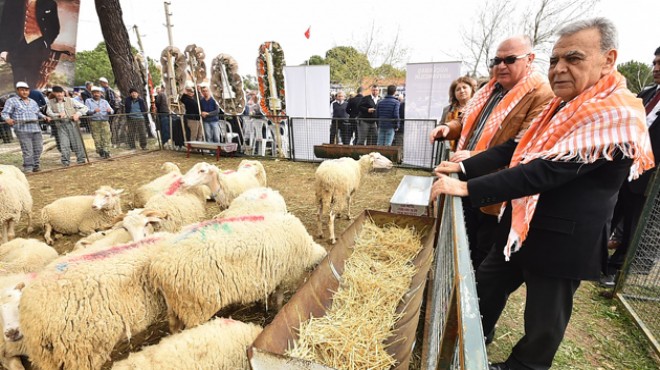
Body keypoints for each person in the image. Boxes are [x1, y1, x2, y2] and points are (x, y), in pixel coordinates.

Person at [431, 18, 654, 370]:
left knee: (543, 323)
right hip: (521, 225)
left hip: (563, 240)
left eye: (574, 59)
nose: (559, 69)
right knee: (485, 286)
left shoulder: (617, 114)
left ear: (608, 60)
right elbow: (514, 148)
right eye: (554, 60)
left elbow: (546, 170)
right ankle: (470, 343)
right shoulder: (561, 107)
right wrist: (462, 167)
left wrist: (468, 189)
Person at [429, 35, 553, 269]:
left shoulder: (541, 94)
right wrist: (448, 128)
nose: (501, 66)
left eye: (510, 59)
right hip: (467, 175)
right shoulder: (491, 89)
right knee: (461, 238)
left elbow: (520, 145)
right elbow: (468, 124)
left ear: (530, 59)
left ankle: (470, 296)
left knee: (481, 251)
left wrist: (472, 159)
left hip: (495, 191)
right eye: (496, 60)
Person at [601, 45, 660, 286]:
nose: (656, 68)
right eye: (655, 63)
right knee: (609, 215)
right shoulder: (647, 93)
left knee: (633, 225)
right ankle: (598, 260)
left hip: (648, 176)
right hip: (621, 167)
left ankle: (615, 270)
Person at [0, 0, 60, 87]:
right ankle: (19, 99)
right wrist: (3, 49)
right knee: (18, 78)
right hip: (16, 46)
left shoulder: (49, 3)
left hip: (37, 45)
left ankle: (31, 98)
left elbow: (54, 28)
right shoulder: (11, 2)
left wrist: (45, 42)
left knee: (32, 79)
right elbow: (4, 26)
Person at [1, 81, 51, 172]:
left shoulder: (33, 102)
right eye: (22, 90)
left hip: (35, 128)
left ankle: (36, 166)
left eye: (26, 90)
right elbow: (5, 113)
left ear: (29, 91)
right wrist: (8, 119)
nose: (25, 92)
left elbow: (37, 112)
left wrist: (44, 117)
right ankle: (28, 168)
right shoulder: (11, 101)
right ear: (18, 90)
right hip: (22, 129)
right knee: (27, 149)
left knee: (38, 148)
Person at [46, 85, 88, 166]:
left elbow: (85, 108)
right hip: (60, 126)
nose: (60, 95)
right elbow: (49, 113)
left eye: (61, 92)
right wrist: (58, 115)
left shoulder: (71, 100)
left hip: (72, 124)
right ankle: (65, 162)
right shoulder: (50, 102)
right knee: (64, 144)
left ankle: (81, 160)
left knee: (77, 143)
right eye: (57, 93)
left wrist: (77, 114)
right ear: (54, 93)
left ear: (63, 92)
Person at [84, 86, 113, 158]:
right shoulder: (88, 101)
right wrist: (93, 111)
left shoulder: (105, 101)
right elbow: (86, 110)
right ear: (92, 93)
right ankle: (100, 151)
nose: (96, 94)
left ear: (101, 94)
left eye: (98, 92)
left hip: (104, 121)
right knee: (97, 138)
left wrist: (110, 111)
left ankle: (107, 152)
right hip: (94, 122)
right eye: (94, 93)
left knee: (106, 136)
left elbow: (112, 110)